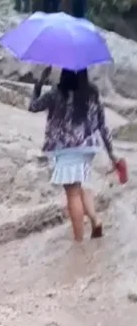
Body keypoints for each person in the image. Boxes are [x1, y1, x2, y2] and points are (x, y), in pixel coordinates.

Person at [29, 66, 118, 241]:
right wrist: (112, 154)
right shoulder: (92, 92)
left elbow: (33, 106)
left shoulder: (57, 92)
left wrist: (39, 83)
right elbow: (102, 125)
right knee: (80, 185)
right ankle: (95, 219)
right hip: (87, 148)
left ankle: (79, 243)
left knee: (72, 194)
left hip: (66, 148)